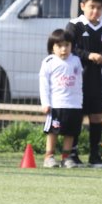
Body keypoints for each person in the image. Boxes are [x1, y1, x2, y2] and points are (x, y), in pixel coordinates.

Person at [65, 0, 102, 168]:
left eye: (99, 8)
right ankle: (72, 153)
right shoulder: (74, 26)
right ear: (82, 6)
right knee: (77, 115)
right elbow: (69, 49)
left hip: (95, 79)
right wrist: (89, 55)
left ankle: (94, 154)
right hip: (77, 78)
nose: (95, 11)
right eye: (91, 7)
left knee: (96, 115)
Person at [39, 29, 84, 169]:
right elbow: (44, 84)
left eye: (67, 45)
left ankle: (66, 158)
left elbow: (79, 82)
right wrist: (45, 103)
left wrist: (79, 102)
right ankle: (49, 157)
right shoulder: (49, 62)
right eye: (59, 46)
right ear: (52, 47)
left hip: (74, 105)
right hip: (56, 105)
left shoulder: (76, 61)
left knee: (70, 132)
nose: (64, 49)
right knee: (53, 132)